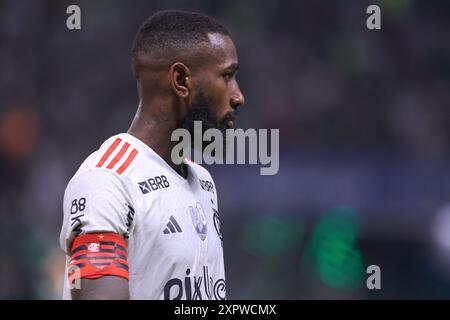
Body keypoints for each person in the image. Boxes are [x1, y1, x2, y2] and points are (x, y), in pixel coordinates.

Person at [59, 9, 245, 300]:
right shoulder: (108, 181)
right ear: (181, 80)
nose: (238, 96)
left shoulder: (203, 180)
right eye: (227, 76)